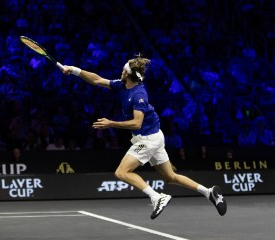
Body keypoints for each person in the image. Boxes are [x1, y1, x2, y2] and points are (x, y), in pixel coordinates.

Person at [61, 55, 227, 219]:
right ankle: (209, 192)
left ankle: (156, 197)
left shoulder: (139, 94)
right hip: (155, 135)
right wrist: (74, 70)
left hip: (148, 139)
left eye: (123, 69)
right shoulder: (122, 85)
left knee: (121, 172)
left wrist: (111, 123)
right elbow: (96, 80)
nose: (121, 70)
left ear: (127, 74)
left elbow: (136, 123)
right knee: (170, 177)